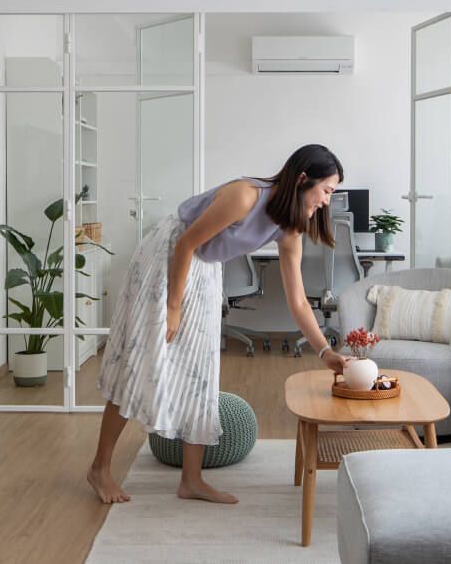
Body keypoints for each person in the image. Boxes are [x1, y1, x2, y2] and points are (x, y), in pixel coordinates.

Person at [86, 144, 350, 504]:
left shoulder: (290, 230)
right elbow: (186, 241)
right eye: (326, 191)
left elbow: (299, 301)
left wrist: (325, 351)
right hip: (170, 254)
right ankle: (99, 469)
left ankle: (191, 479)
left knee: (201, 366)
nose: (326, 201)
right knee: (141, 363)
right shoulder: (245, 195)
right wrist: (173, 307)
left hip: (206, 268)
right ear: (304, 179)